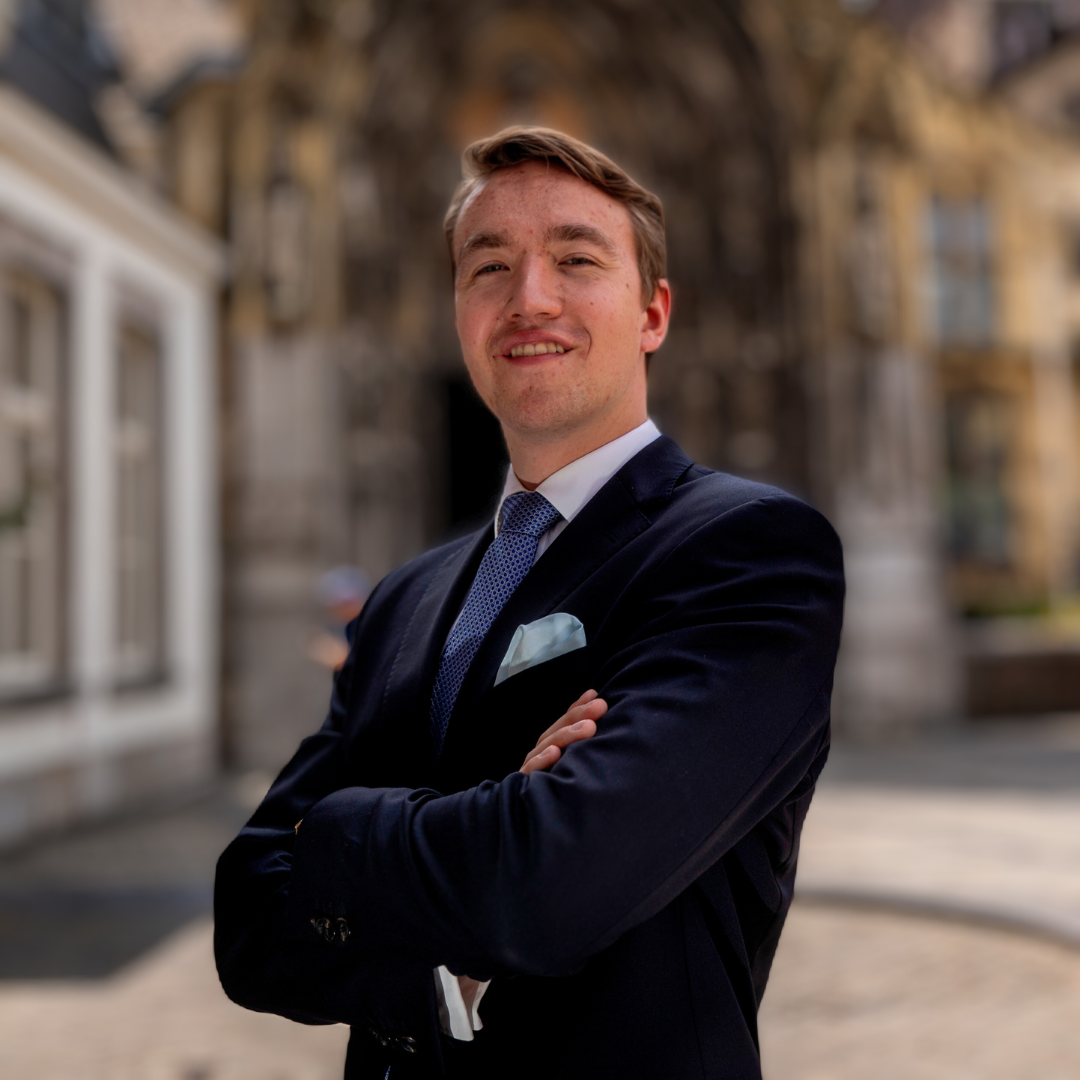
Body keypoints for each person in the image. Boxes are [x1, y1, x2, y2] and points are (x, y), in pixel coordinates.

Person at [214, 126, 845, 1080]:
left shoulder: (750, 550)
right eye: (489, 267)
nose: (529, 298)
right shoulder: (403, 599)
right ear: (457, 313)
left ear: (653, 313)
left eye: (577, 260)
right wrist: (458, 939)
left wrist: (332, 834)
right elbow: (246, 923)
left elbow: (559, 881)